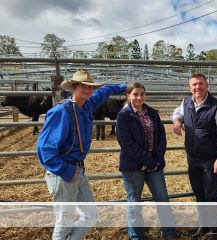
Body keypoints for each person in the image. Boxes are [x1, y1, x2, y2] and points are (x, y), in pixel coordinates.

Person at [36, 70, 126, 240]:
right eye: (82, 86)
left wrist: (123, 87)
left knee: (90, 215)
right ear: (73, 87)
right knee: (65, 224)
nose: (87, 90)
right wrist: (67, 170)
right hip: (63, 173)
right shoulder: (61, 112)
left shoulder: (88, 104)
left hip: (78, 169)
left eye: (90, 87)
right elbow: (45, 150)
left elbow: (103, 92)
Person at [171, 73, 217, 240]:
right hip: (192, 157)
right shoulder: (187, 102)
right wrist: (176, 121)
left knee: (211, 194)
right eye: (194, 85)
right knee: (199, 193)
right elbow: (177, 112)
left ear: (207, 85)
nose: (197, 87)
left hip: (210, 159)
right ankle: (203, 226)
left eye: (200, 84)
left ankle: (213, 230)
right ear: (190, 87)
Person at [116, 82, 177, 240]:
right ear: (128, 96)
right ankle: (137, 236)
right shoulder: (124, 115)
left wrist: (156, 158)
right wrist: (149, 160)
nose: (139, 97)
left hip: (154, 165)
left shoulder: (152, 113)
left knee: (162, 198)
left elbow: (161, 138)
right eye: (135, 94)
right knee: (135, 201)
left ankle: (170, 234)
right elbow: (127, 143)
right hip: (133, 166)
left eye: (142, 94)